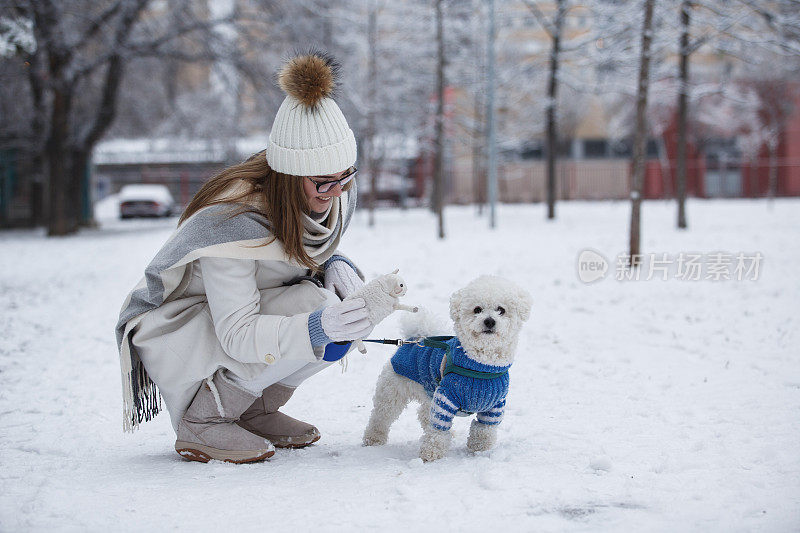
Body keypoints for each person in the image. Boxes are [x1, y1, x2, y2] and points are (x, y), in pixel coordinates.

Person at [115, 51, 376, 463]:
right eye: (325, 182)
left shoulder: (328, 191)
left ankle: (253, 410)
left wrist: (335, 264)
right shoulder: (232, 221)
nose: (338, 192)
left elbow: (301, 252)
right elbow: (237, 332)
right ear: (290, 176)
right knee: (320, 311)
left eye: (347, 177)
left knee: (350, 309)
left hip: (245, 312)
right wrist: (317, 326)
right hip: (184, 326)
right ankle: (204, 421)